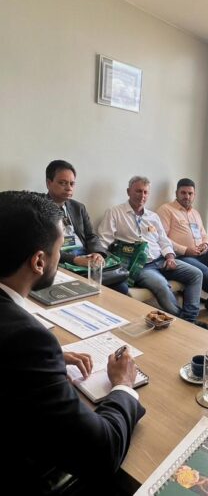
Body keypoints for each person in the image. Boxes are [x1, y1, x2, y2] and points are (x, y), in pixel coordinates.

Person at [0, 191, 145, 493]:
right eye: (58, 248)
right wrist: (123, 386)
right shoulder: (27, 340)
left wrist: (46, 362)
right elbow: (102, 453)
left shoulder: (22, 341)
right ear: (39, 261)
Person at [98, 176, 208, 328]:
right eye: (138, 191)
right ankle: (186, 323)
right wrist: (99, 256)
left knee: (196, 274)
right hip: (141, 266)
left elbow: (164, 241)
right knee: (161, 285)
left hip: (162, 260)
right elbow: (104, 240)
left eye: (145, 192)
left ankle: (189, 318)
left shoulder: (153, 216)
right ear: (128, 191)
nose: (142, 196)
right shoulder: (115, 212)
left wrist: (170, 256)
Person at [156, 178, 208, 317]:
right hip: (181, 256)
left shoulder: (195, 213)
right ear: (176, 193)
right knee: (203, 270)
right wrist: (185, 249)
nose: (187, 196)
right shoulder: (166, 210)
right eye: (183, 193)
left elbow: (204, 235)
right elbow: (162, 239)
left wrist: (206, 245)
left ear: (194, 195)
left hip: (201, 253)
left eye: (190, 193)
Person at [45, 159, 128, 295]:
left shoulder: (78, 207)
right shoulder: (40, 208)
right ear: (49, 183)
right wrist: (75, 260)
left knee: (121, 286)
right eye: (62, 183)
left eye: (72, 184)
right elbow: (45, 247)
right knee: (86, 288)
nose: (68, 188)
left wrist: (97, 253)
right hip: (62, 260)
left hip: (86, 256)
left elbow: (91, 236)